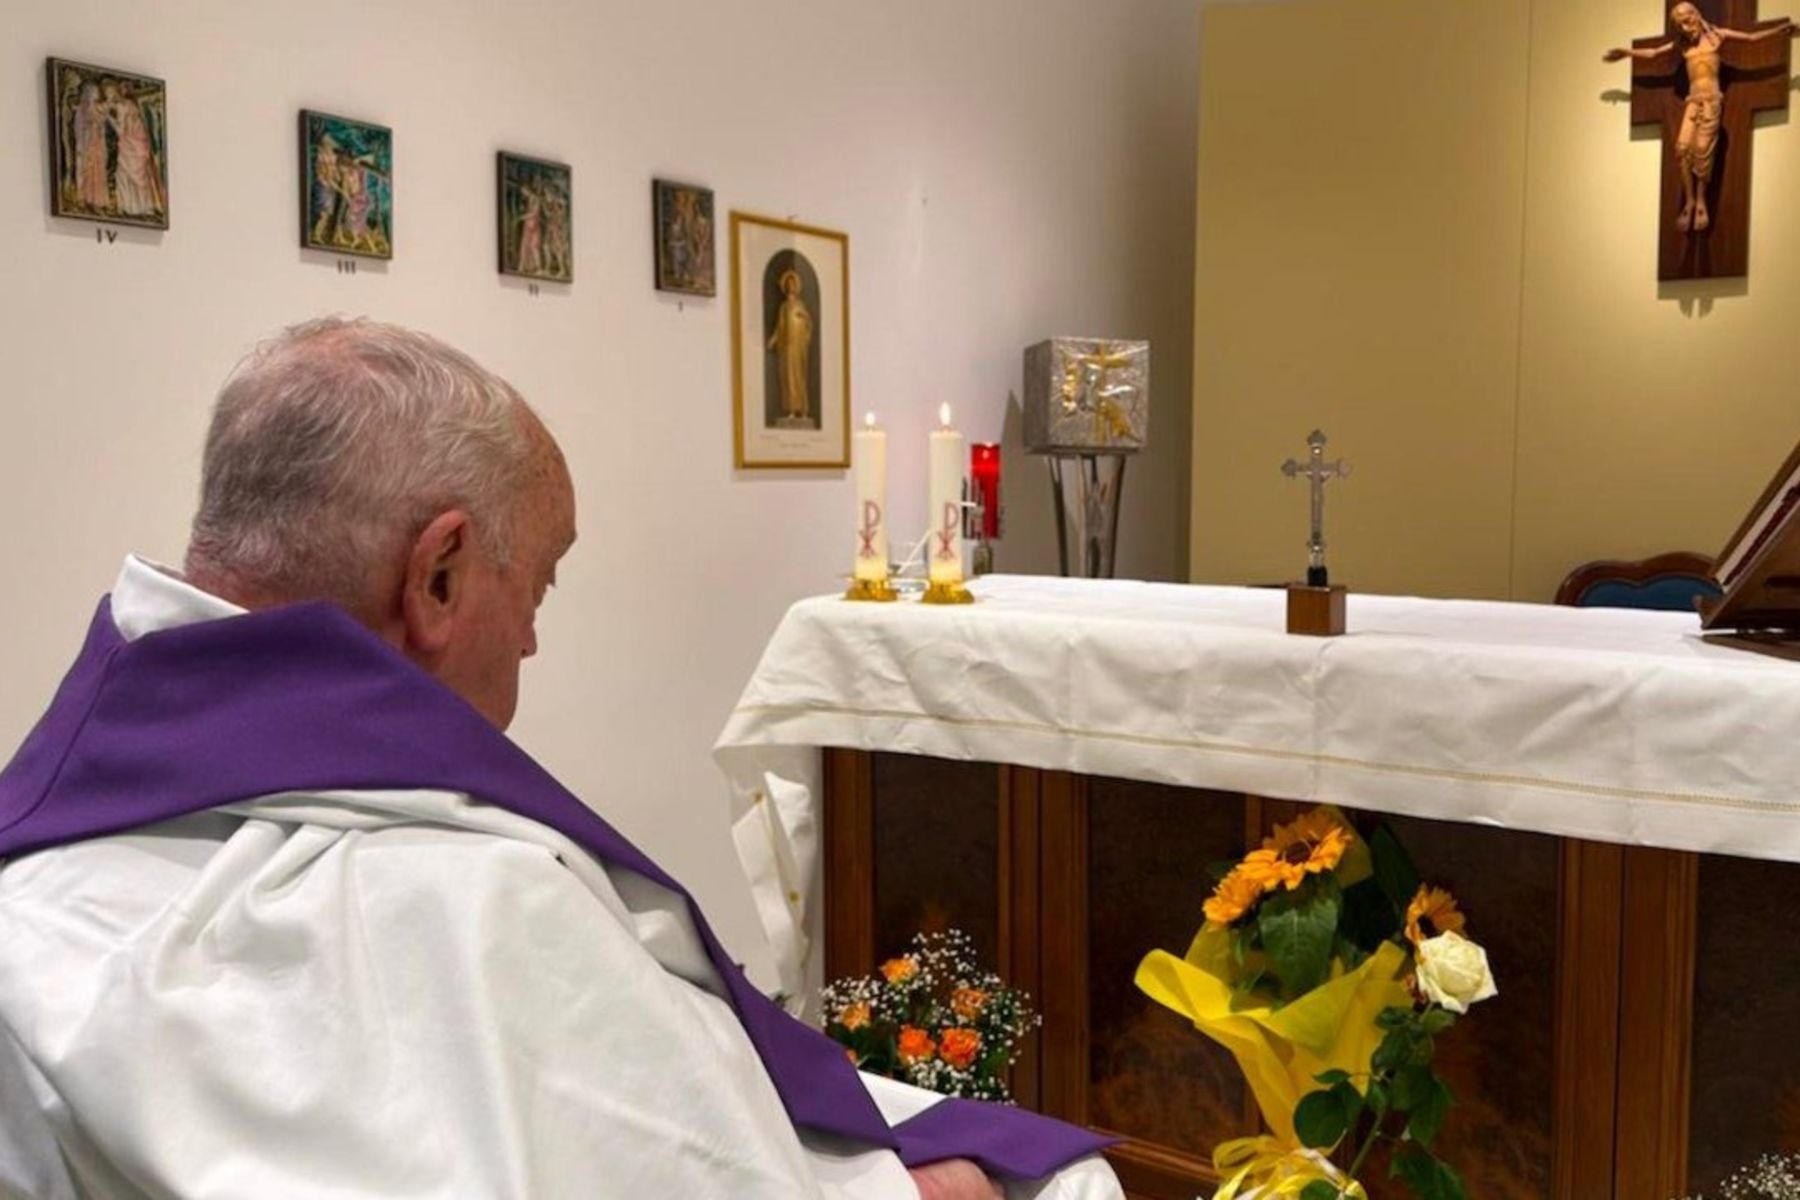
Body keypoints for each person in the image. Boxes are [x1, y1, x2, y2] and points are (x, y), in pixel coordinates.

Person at [0, 318, 1120, 1200]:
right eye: (535, 584)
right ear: (437, 577)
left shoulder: (36, 868)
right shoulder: (480, 904)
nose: (531, 636)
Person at [1605, 3, 1798, 232]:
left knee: (1701, 150)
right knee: (1681, 148)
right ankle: (1689, 201)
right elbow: (1655, 53)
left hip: (1712, 100)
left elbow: (1751, 38)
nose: (1685, 29)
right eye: (1680, 25)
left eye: (1687, 21)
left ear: (1696, 16)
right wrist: (1627, 54)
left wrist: (1779, 31)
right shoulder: (1683, 46)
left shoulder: (1718, 37)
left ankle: (1701, 201)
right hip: (1692, 101)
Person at [768, 266, 815, 425]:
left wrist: (804, 318)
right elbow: (779, 326)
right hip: (787, 345)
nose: (790, 287)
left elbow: (809, 323)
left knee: (798, 375)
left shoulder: (800, 305)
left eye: (792, 284)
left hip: (798, 345)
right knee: (788, 376)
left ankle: (802, 409)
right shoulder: (783, 307)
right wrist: (774, 340)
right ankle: (791, 409)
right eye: (788, 284)